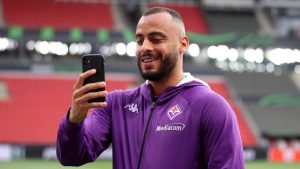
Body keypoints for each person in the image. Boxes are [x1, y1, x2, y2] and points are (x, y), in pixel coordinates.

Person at [56, 7, 245, 169]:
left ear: (182, 44)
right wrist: (74, 120)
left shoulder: (210, 106)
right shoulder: (115, 104)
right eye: (139, 40)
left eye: (156, 39)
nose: (145, 47)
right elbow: (72, 156)